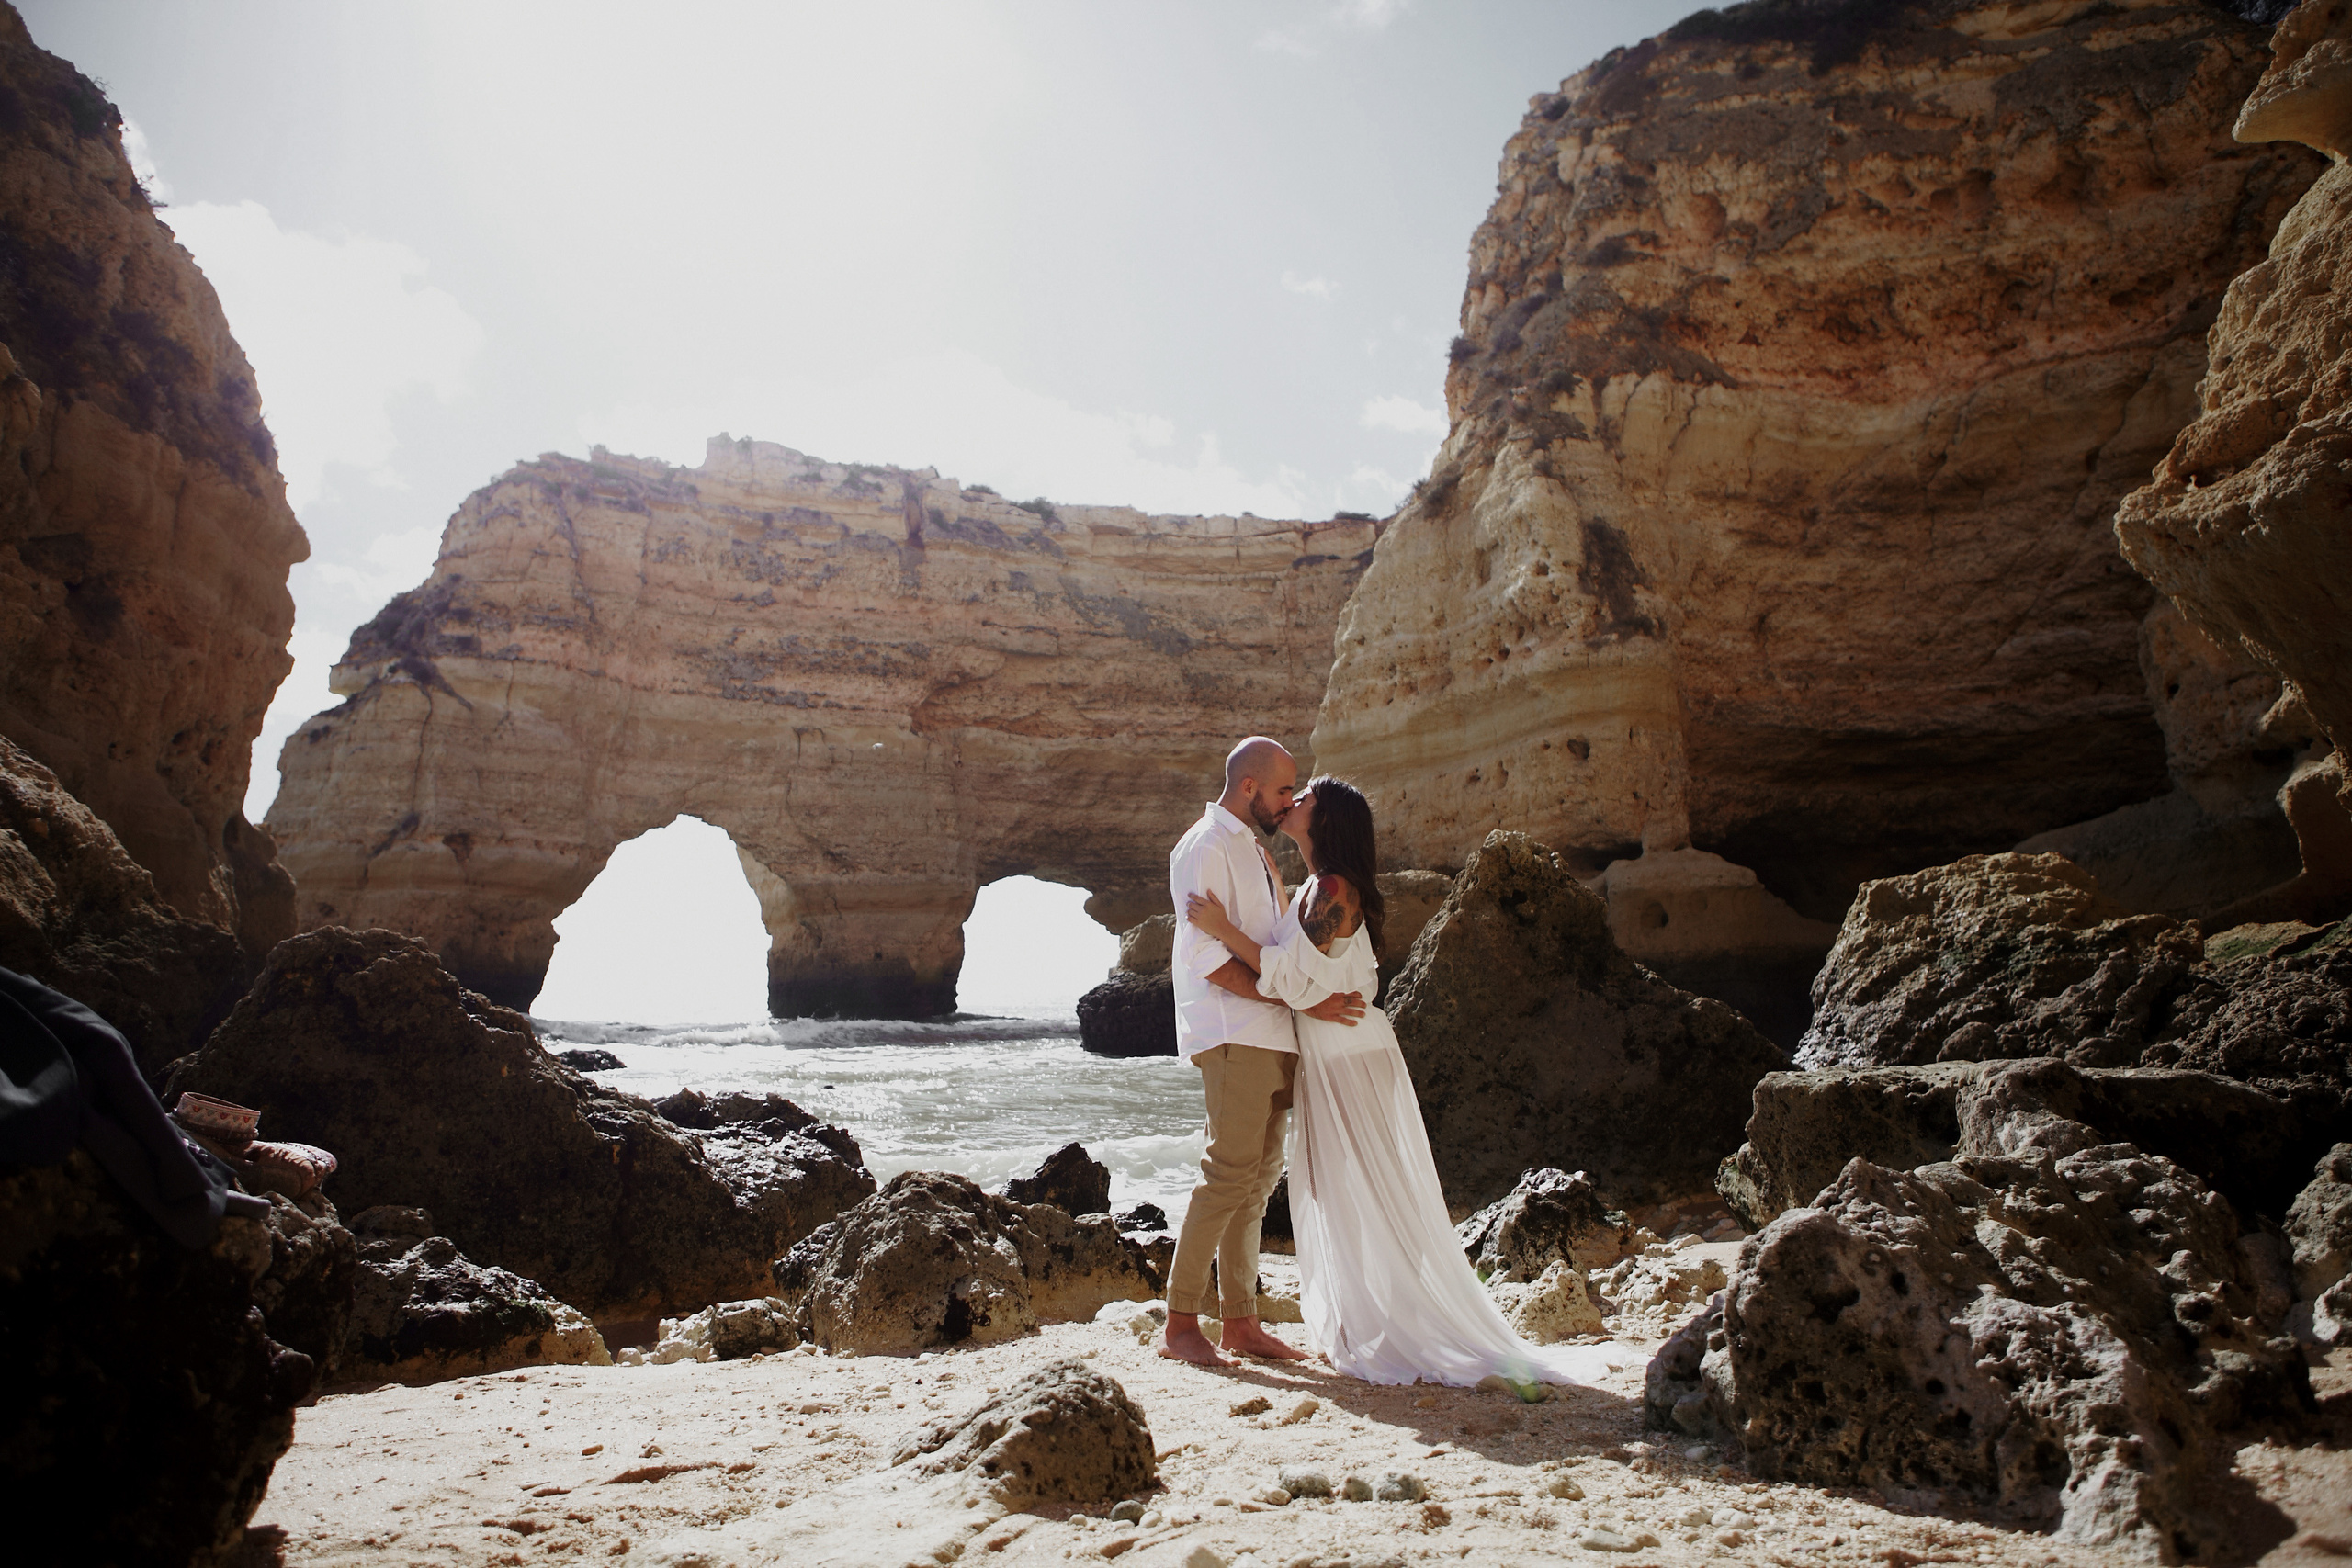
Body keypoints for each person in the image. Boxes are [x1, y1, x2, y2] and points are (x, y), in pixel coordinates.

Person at [1185, 775, 1611, 1388]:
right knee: (1344, 1191)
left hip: (1351, 1054)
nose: (1292, 799)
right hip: (1335, 1053)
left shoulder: (1333, 887)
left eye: (1303, 796)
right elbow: (1304, 980)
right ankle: (1374, 1321)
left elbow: (1288, 975)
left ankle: (1397, 1324)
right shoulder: (1315, 886)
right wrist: (1312, 1000)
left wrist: (1224, 930)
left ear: (1326, 818)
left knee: (1369, 1190)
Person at [1160, 736, 1365, 1367]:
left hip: (1272, 1031)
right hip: (1233, 1030)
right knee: (1227, 1172)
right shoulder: (1206, 845)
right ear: (1250, 787)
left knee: (1257, 1180)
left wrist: (1298, 1006)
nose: (1288, 801)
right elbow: (1206, 958)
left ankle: (1241, 1319)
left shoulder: (1251, 847)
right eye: (1282, 789)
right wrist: (1298, 1003)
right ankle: (1180, 1321)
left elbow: (1282, 949)